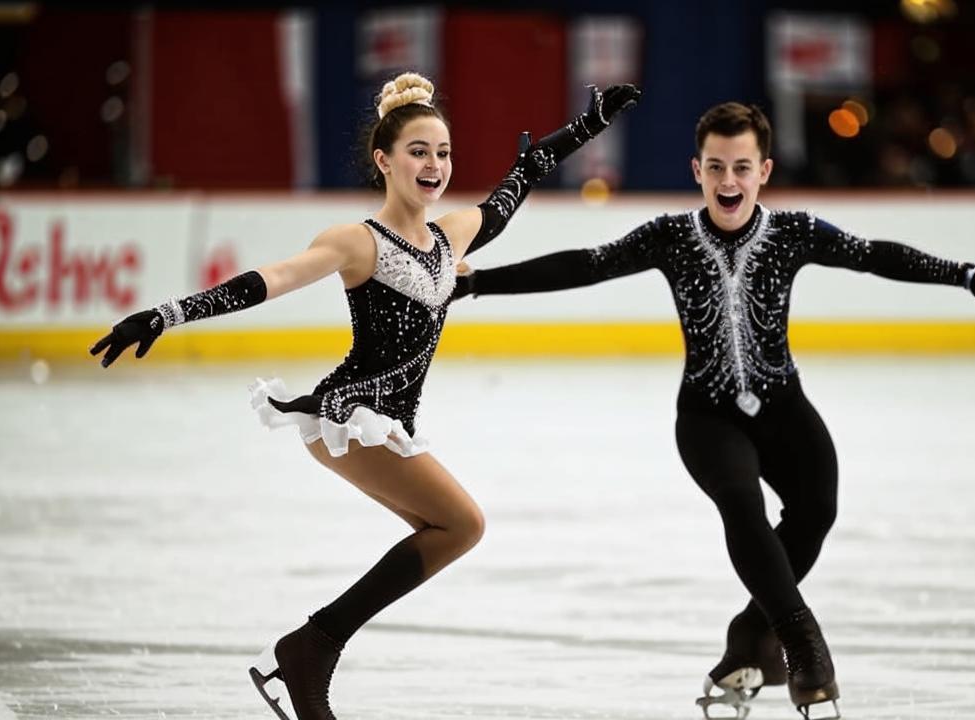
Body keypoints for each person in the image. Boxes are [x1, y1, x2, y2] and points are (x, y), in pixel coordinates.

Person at [452, 101, 975, 720]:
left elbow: (873, 254)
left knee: (816, 512)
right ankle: (804, 645)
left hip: (783, 406)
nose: (729, 182)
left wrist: (964, 274)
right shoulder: (670, 238)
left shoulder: (794, 233)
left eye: (742, 168)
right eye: (716, 167)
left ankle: (745, 637)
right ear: (696, 170)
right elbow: (586, 265)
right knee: (743, 505)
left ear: (765, 171)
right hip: (707, 416)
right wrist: (481, 281)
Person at [89, 72, 640, 720]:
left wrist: (585, 127)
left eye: (443, 153)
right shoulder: (359, 242)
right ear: (384, 160)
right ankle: (312, 647)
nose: (433, 165)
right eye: (418, 151)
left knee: (447, 530)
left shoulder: (450, 236)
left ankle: (312, 648)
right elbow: (275, 278)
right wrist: (164, 315)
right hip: (353, 415)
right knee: (462, 524)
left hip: (387, 423)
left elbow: (517, 185)